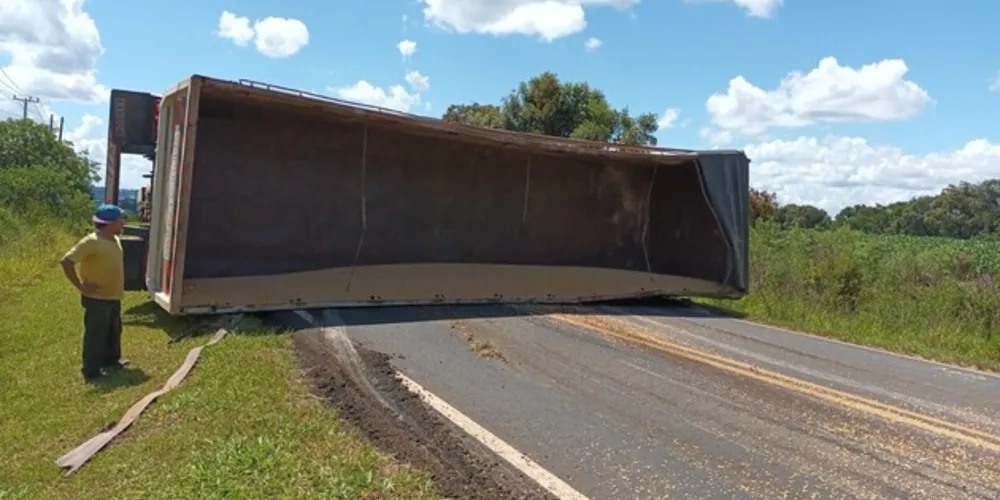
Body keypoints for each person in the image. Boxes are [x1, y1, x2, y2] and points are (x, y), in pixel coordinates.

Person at [60, 204, 128, 382]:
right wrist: (81, 286)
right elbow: (66, 262)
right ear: (110, 222)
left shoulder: (115, 239)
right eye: (120, 219)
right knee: (96, 334)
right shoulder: (91, 242)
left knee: (114, 330)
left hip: (113, 295)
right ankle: (91, 371)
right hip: (97, 299)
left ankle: (111, 362)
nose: (123, 222)